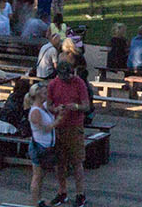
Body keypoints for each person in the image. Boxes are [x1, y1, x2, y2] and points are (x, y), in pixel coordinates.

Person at [45, 61, 93, 206]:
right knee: (60, 163)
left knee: (77, 162)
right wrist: (56, 109)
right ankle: (62, 191)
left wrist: (76, 106)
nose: (67, 78)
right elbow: (48, 105)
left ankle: (80, 193)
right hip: (59, 126)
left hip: (75, 126)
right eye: (64, 75)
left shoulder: (79, 83)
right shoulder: (53, 84)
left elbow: (87, 106)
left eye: (69, 75)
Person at [25, 88, 57, 206]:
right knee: (37, 176)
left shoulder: (44, 107)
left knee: (42, 176)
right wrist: (59, 120)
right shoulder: (35, 111)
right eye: (44, 93)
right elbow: (45, 128)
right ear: (38, 96)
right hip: (38, 146)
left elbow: (53, 109)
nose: (47, 95)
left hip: (47, 145)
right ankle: (35, 202)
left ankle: (39, 200)